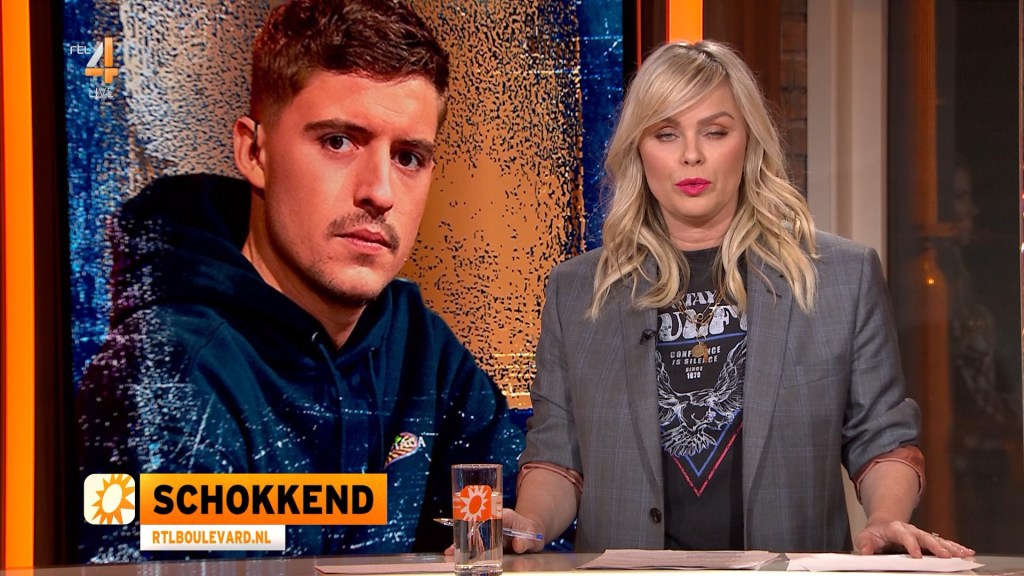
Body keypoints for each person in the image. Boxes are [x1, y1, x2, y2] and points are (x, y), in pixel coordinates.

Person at [76, 0, 522, 562]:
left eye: (408, 157)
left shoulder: (420, 347)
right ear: (254, 152)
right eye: (338, 142)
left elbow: (526, 527)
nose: (380, 192)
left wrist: (514, 538)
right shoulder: (169, 371)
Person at [504, 40, 973, 557]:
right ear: (638, 149)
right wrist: (527, 524)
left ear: (748, 142)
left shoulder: (841, 277)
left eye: (715, 131)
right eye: (666, 134)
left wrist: (885, 520)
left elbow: (882, 440)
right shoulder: (578, 291)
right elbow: (556, 456)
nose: (691, 155)